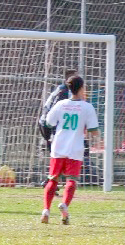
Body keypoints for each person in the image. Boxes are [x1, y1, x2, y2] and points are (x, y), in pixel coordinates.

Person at [40, 75, 99, 224]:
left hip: (58, 145)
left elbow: (48, 122)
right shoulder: (87, 107)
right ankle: (64, 206)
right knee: (71, 180)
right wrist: (98, 138)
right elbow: (93, 130)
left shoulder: (61, 104)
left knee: (53, 179)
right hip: (75, 147)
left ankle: (46, 210)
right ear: (80, 88)